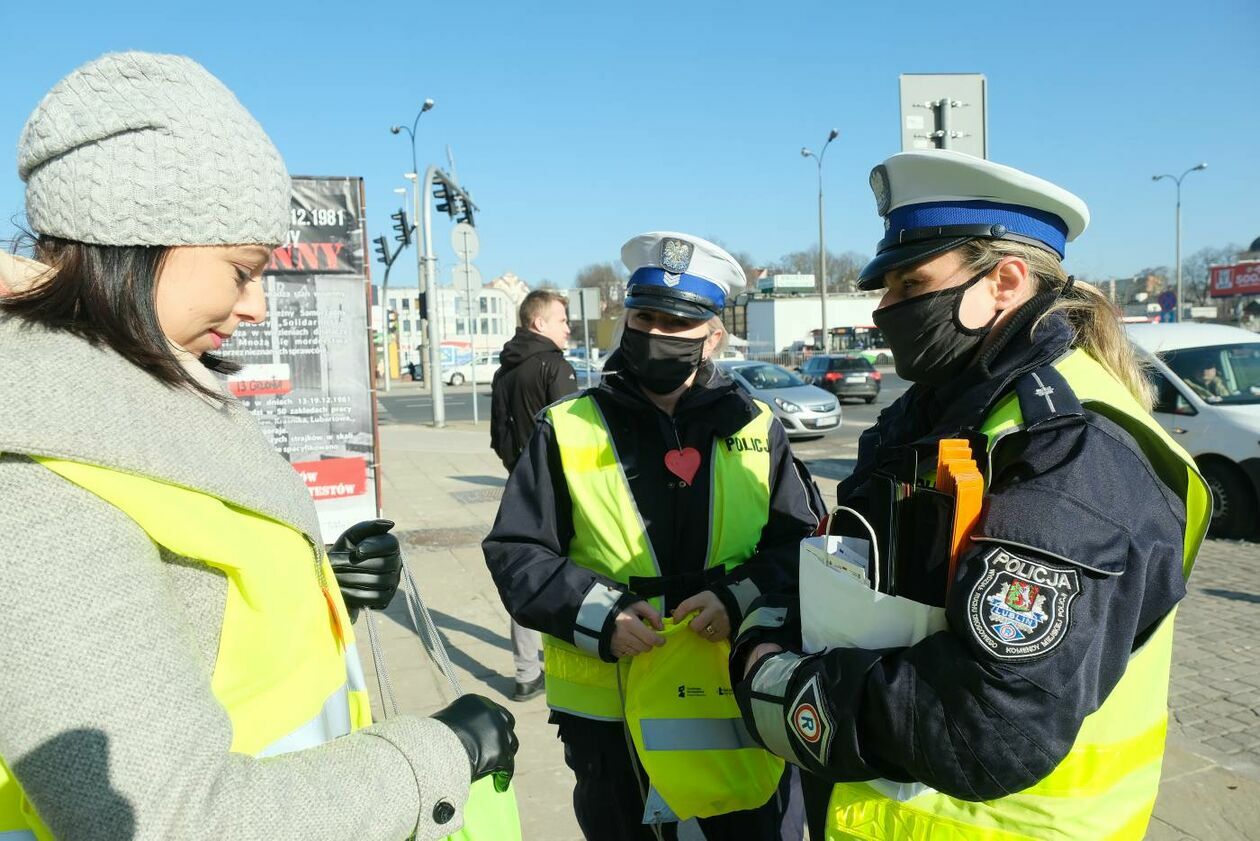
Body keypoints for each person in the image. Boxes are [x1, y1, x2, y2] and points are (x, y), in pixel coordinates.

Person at [0, 52, 516, 841]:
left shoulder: (145, 390)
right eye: (242, 269)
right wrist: (434, 755)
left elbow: (196, 627)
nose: (256, 304)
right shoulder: (37, 466)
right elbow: (165, 819)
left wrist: (324, 588)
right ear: (135, 237)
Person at [731, 150, 1211, 840]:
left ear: (1005, 281)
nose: (884, 307)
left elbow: (989, 721)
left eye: (909, 281)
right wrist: (769, 614)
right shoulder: (935, 410)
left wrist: (775, 680)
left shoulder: (1071, 450)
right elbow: (852, 563)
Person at [484, 232, 823, 841]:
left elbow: (803, 546)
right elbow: (516, 552)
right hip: (608, 719)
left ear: (713, 336)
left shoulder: (758, 428)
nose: (657, 333)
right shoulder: (566, 427)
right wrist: (599, 614)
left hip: (733, 698)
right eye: (645, 317)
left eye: (679, 322)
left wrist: (737, 598)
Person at [490, 289, 578, 700]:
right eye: (562, 320)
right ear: (539, 323)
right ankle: (570, 659)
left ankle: (526, 673)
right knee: (566, 572)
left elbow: (498, 436)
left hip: (520, 487)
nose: (568, 328)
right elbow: (576, 435)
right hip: (561, 487)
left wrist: (517, 470)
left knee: (527, 572)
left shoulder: (504, 369)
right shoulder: (553, 365)